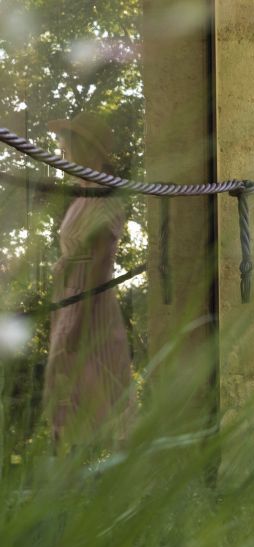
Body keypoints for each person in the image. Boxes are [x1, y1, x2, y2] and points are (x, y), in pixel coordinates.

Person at [43, 111, 135, 452]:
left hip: (87, 298)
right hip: (68, 292)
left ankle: (106, 463)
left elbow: (101, 260)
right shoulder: (82, 195)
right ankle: (69, 462)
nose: (63, 149)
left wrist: (80, 317)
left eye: (69, 142)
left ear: (87, 147)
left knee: (94, 372)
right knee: (63, 373)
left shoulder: (104, 198)